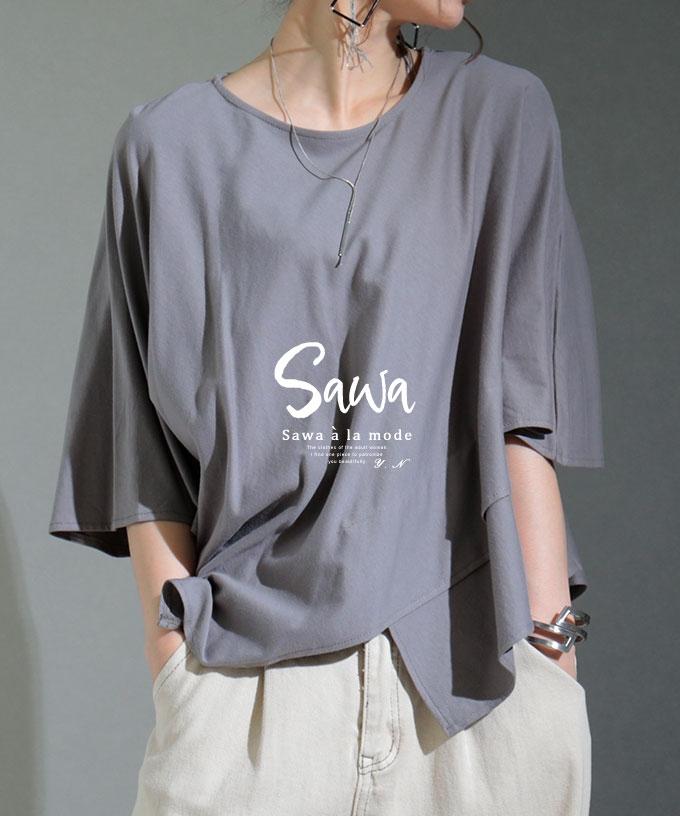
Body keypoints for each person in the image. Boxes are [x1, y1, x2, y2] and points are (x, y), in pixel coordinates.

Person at [47, 0, 605, 812]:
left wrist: (551, 655)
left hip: (473, 674)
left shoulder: (498, 116)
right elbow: (140, 445)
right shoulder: (168, 146)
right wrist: (180, 671)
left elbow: (523, 413)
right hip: (252, 688)